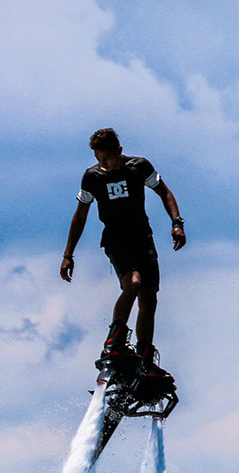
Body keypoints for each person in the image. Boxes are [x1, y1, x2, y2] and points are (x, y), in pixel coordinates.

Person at [59, 127, 186, 379]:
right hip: (116, 240)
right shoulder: (92, 177)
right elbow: (80, 215)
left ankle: (145, 359)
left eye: (106, 158)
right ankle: (115, 341)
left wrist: (177, 223)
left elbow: (165, 193)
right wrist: (68, 254)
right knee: (133, 283)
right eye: (98, 159)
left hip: (143, 238)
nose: (103, 164)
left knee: (149, 297)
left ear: (119, 150)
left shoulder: (139, 167)